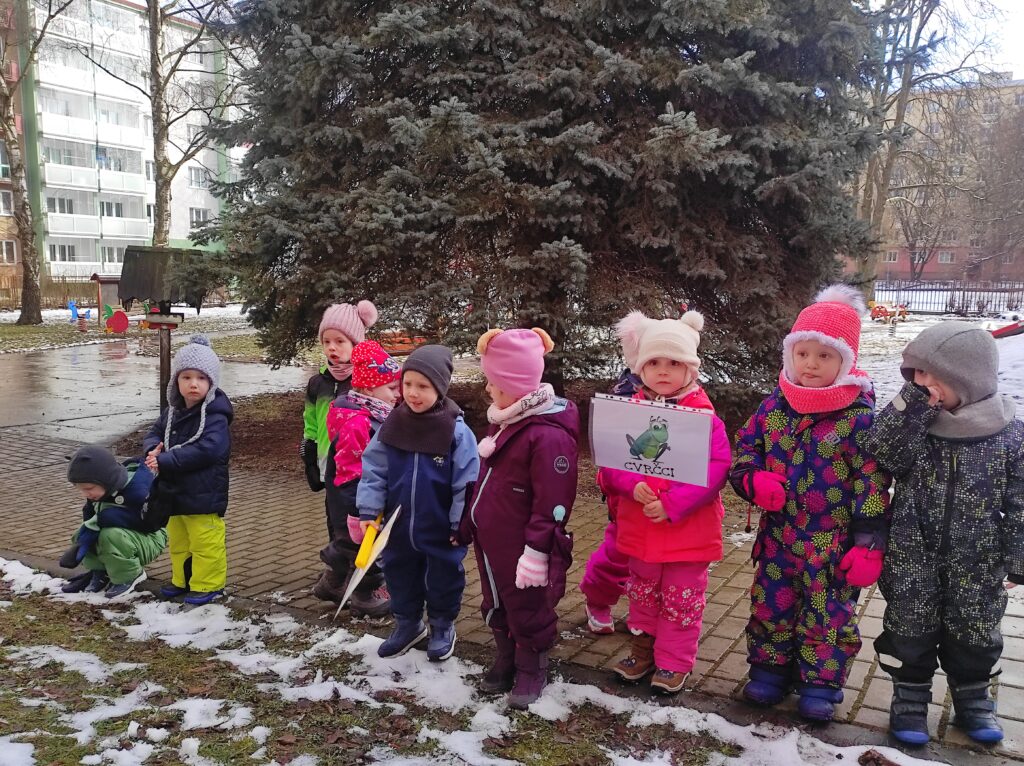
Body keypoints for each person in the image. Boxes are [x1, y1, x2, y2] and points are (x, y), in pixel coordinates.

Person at [730, 285, 891, 722]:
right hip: (778, 537)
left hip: (831, 544)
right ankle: (769, 670)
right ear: (790, 355)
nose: (811, 364)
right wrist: (751, 479)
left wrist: (869, 543)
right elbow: (746, 449)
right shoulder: (774, 406)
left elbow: (872, 481)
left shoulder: (859, 418)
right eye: (802, 353)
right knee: (772, 604)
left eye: (824, 355)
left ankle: (820, 683)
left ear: (846, 361)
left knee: (827, 615)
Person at [865, 322, 1023, 745]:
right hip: (912, 554)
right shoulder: (916, 424)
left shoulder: (1009, 433)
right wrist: (912, 407)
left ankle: (973, 698)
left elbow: (1021, 500)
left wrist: (1019, 558)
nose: (921, 383)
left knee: (975, 631)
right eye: (915, 373)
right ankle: (910, 697)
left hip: (978, 560)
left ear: (968, 379)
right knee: (909, 628)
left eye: (930, 374)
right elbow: (880, 450)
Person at [597, 310, 731, 694]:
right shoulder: (629, 413)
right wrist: (631, 484)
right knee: (643, 593)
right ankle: (642, 651)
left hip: (686, 532)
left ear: (691, 369)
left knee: (680, 599)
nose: (663, 371)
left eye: (674, 363)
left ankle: (673, 662)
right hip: (641, 530)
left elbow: (716, 468)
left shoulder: (704, 417)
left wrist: (674, 504)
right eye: (654, 362)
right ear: (640, 367)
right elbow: (611, 464)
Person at [458, 328, 578, 709]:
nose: (488, 389)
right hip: (493, 540)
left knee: (528, 606)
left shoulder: (547, 437)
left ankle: (531, 666)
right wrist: (468, 521)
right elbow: (486, 481)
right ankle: (506, 655)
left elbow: (553, 500)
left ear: (514, 386)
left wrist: (538, 550)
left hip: (523, 546)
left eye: (493, 383)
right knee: (496, 600)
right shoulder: (508, 419)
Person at [357, 345, 479, 660]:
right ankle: (408, 624)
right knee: (399, 576)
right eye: (407, 384)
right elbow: (374, 469)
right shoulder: (392, 424)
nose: (412, 393)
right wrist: (369, 509)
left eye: (423, 386)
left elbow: (467, 482)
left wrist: (460, 523)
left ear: (440, 388)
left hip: (440, 527)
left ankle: (441, 626)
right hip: (397, 527)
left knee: (442, 578)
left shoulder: (456, 431)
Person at [143, 334, 233, 606]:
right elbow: (154, 432)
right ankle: (183, 580)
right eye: (187, 377)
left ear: (211, 382)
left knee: (205, 541)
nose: (194, 384)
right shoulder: (172, 412)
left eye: (201, 378)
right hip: (175, 492)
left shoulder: (216, 416)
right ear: (177, 381)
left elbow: (208, 449)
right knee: (180, 541)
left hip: (204, 493)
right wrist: (153, 449)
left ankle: (208, 584)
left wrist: (167, 460)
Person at [301, 300, 378, 600]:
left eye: (340, 341)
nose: (332, 348)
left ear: (356, 344)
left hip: (358, 473)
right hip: (329, 468)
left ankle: (363, 581)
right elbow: (310, 420)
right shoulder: (317, 383)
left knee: (358, 527)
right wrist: (309, 450)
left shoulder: (363, 383)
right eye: (326, 341)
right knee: (335, 524)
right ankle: (339, 577)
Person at [319, 340, 401, 616]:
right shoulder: (359, 423)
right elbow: (351, 471)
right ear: (368, 389)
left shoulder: (370, 413)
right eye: (392, 388)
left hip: (359, 496)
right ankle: (367, 595)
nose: (398, 394)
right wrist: (359, 509)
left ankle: (332, 583)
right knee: (365, 548)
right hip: (354, 499)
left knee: (346, 544)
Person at [59, 445, 168, 599]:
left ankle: (129, 576)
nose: (85, 494)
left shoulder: (138, 491)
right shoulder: (99, 493)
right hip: (124, 537)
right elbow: (90, 518)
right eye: (81, 489)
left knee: (110, 535)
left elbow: (151, 524)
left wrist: (110, 517)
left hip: (151, 537)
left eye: (89, 488)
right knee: (84, 533)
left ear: (107, 480)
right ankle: (100, 572)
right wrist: (86, 536)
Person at [579, 367, 641, 635]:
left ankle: (645, 614)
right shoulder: (626, 392)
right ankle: (597, 601)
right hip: (625, 497)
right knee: (616, 557)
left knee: (655, 567)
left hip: (665, 502)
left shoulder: (685, 395)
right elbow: (609, 453)